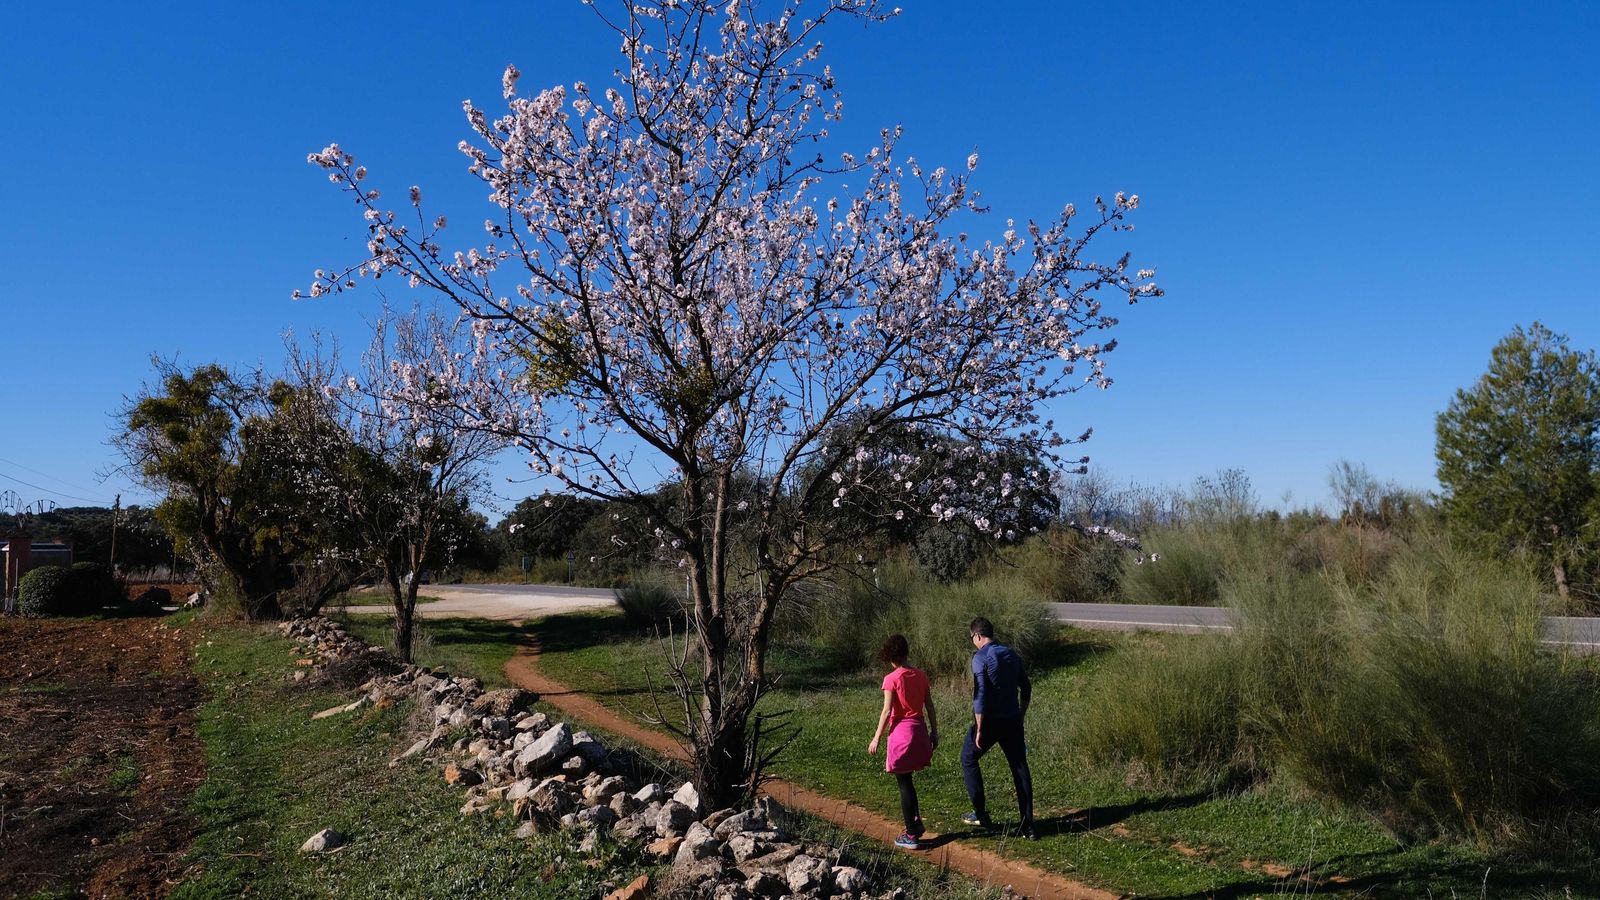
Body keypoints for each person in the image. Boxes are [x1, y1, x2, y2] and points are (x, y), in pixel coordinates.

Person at [961, 616, 1035, 839]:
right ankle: (1028, 825)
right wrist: (1021, 714)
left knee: (968, 757)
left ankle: (980, 813)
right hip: (1012, 720)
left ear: (977, 636)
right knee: (1020, 768)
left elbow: (981, 693)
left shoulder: (980, 658)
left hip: (991, 722)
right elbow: (1026, 687)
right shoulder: (1011, 654)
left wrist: (979, 727)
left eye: (972, 638)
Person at [867, 633, 939, 850]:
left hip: (901, 735)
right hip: (920, 732)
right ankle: (916, 823)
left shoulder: (891, 679)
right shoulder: (921, 675)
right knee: (908, 781)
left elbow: (887, 711)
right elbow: (929, 705)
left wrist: (876, 738)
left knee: (904, 784)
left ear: (891, 657)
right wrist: (934, 732)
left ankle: (911, 834)